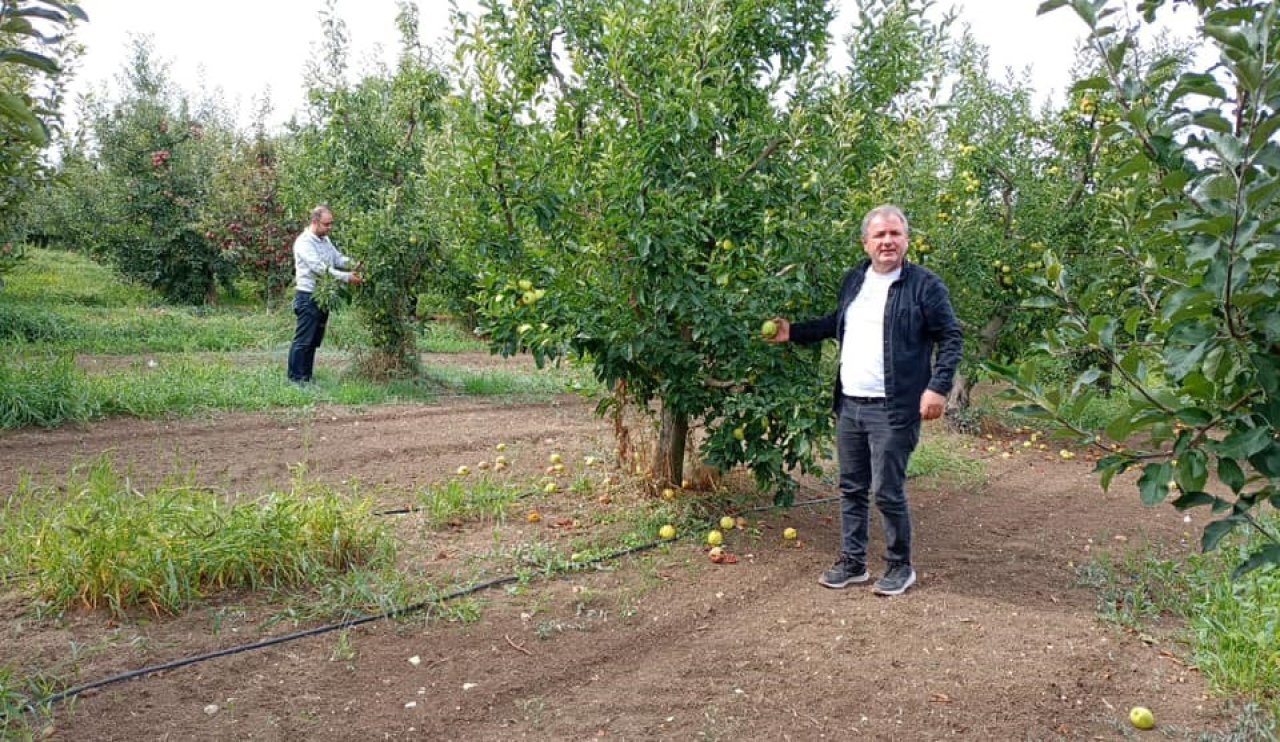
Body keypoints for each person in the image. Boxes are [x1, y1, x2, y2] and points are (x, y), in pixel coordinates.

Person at [766, 205, 962, 596]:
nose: (887, 241)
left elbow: (951, 337)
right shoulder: (854, 279)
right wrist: (795, 333)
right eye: (879, 236)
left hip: (895, 406)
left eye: (895, 234)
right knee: (851, 487)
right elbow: (836, 322)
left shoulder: (925, 285)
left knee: (887, 489)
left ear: (907, 240)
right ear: (866, 243)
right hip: (850, 403)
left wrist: (938, 386)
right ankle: (853, 562)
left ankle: (899, 566)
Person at [287, 205, 361, 384]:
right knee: (303, 340)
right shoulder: (304, 243)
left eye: (331, 224)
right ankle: (295, 379)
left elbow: (337, 258)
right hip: (308, 296)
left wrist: (356, 263)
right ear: (315, 222)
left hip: (323, 296)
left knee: (313, 340)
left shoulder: (324, 240)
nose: (330, 228)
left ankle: (306, 377)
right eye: (326, 224)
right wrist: (346, 277)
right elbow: (320, 269)